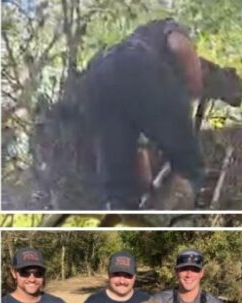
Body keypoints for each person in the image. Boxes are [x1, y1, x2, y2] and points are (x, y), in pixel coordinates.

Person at [79, 18, 205, 209]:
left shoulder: (123, 55)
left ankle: (121, 214)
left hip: (95, 80)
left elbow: (135, 149)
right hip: (138, 64)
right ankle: (184, 219)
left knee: (119, 192)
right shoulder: (165, 27)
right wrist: (194, 86)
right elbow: (181, 47)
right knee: (188, 164)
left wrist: (146, 188)